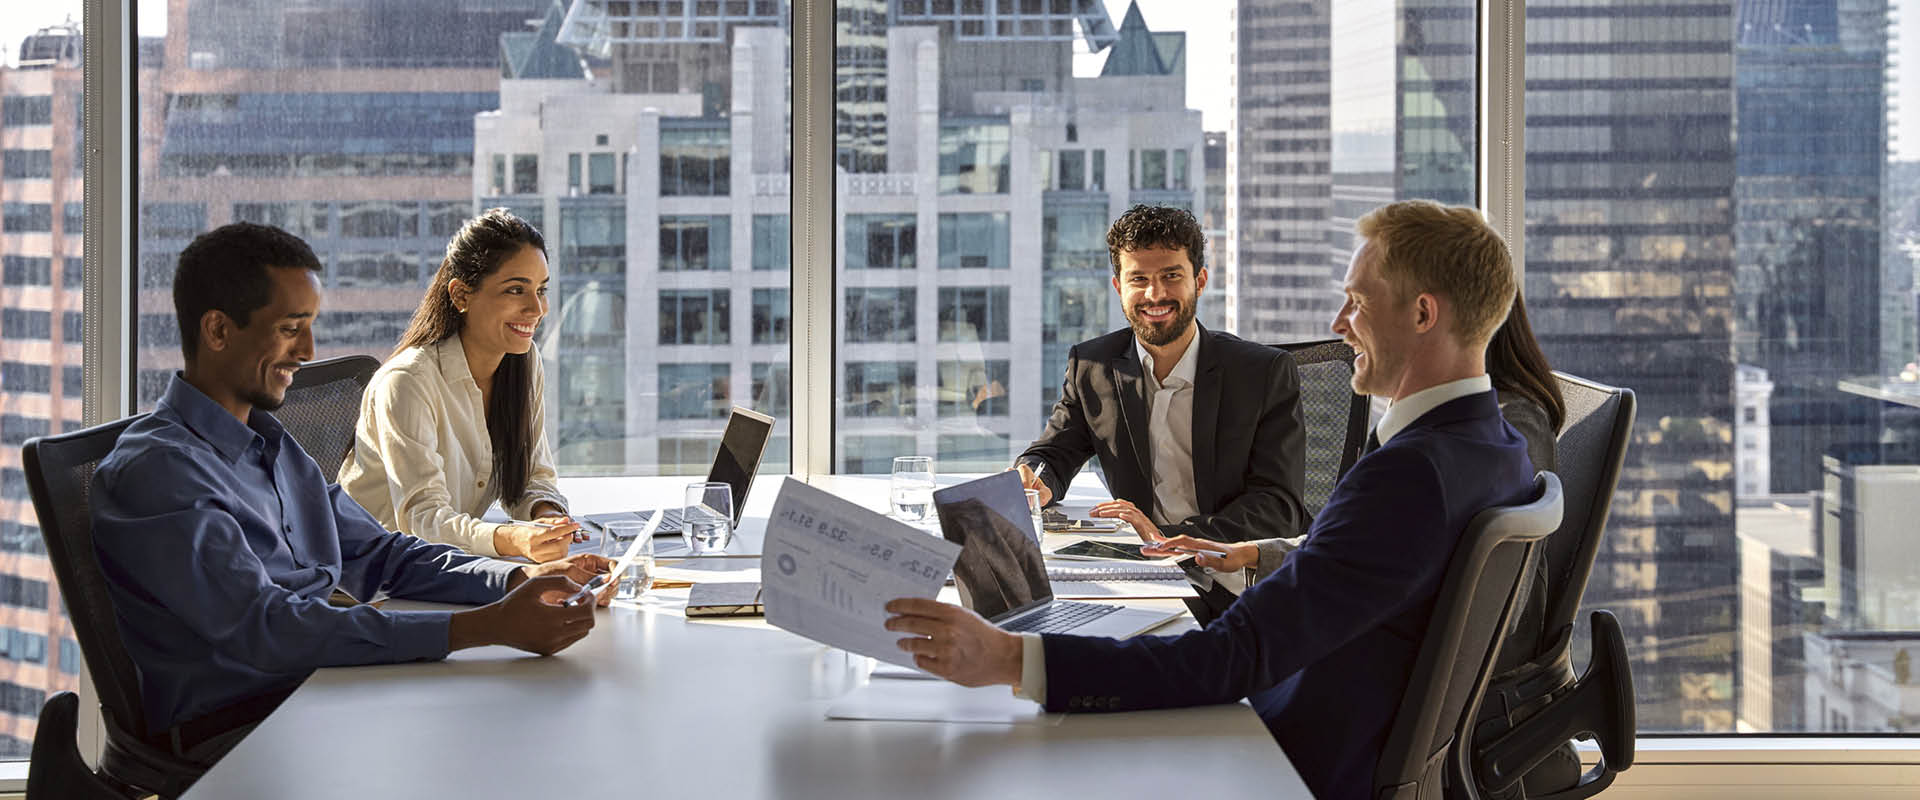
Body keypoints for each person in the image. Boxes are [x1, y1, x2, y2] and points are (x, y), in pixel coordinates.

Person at [884, 200, 1535, 800]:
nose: (1340, 326)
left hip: (1290, 753)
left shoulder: (1406, 475)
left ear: (1423, 314)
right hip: (1338, 724)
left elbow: (1234, 656)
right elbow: (1373, 571)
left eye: (1358, 303)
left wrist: (1007, 658)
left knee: (1010, 762)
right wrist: (1263, 554)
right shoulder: (1495, 447)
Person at [91, 222, 612, 769]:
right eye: (291, 328)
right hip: (244, 728)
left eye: (310, 327)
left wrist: (514, 579)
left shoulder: (272, 445)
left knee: (537, 728)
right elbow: (270, 629)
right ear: (219, 330)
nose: (308, 351)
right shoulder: (160, 473)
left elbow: (383, 553)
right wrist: (485, 626)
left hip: (322, 686)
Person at [1015, 205, 1307, 546]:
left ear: (1199, 281)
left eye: (1171, 276)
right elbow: (1054, 453)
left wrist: (1167, 538)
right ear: (1118, 287)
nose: (1155, 295)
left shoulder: (1262, 373)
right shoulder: (1094, 366)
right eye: (1139, 279)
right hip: (1144, 566)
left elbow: (1279, 507)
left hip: (1230, 568)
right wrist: (1035, 476)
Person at [338, 209, 579, 562]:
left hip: (447, 567)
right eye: (516, 290)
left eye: (541, 289)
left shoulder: (523, 362)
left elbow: (530, 475)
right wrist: (512, 539)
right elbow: (422, 518)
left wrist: (547, 518)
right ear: (461, 296)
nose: (537, 308)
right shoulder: (408, 382)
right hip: (373, 582)